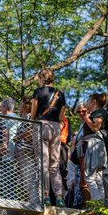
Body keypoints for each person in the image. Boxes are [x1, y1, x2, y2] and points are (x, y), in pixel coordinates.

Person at [30, 69, 67, 207]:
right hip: (56, 128)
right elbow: (60, 116)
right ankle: (59, 196)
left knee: (42, 162)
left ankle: (45, 195)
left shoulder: (38, 92)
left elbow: (33, 112)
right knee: (54, 164)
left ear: (42, 78)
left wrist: (34, 118)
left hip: (41, 126)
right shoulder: (61, 94)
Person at [78, 93, 108, 206]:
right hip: (96, 145)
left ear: (93, 101)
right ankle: (101, 204)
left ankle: (96, 204)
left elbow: (95, 127)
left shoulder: (98, 112)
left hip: (95, 144)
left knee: (89, 176)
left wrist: (86, 118)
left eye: (88, 100)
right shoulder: (97, 113)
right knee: (98, 177)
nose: (86, 103)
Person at [13, 97, 38, 202]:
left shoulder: (29, 117)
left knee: (29, 179)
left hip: (27, 152)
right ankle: (29, 201)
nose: (18, 106)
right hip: (22, 153)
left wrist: (16, 137)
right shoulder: (23, 118)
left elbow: (29, 133)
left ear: (24, 105)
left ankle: (33, 202)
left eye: (20, 104)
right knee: (24, 180)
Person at [0, 97, 19, 199]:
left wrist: (4, 145)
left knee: (5, 175)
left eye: (1, 107)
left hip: (8, 150)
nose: (0, 109)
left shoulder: (6, 118)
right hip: (16, 150)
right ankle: (13, 196)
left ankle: (8, 197)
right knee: (12, 176)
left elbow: (5, 132)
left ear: (5, 107)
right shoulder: (18, 117)